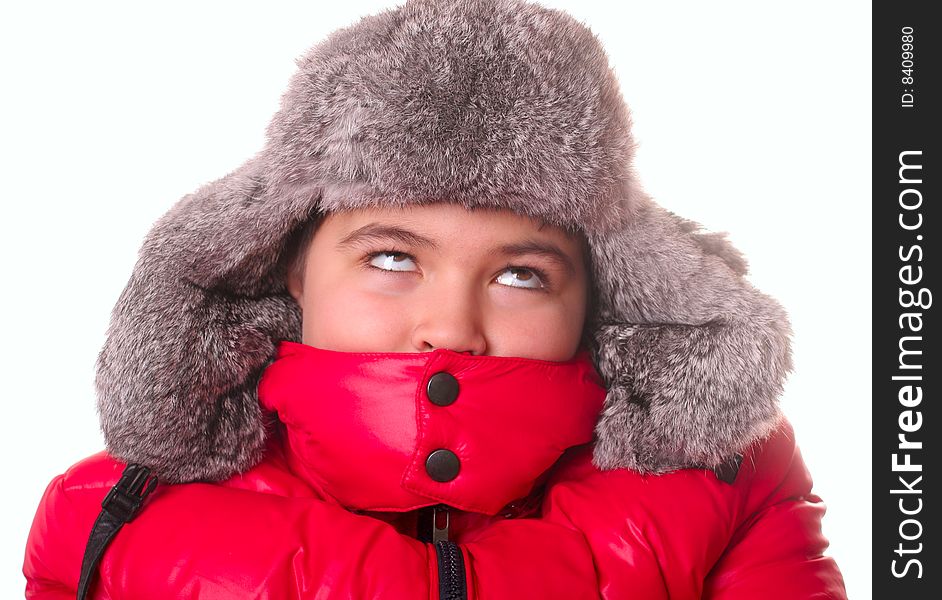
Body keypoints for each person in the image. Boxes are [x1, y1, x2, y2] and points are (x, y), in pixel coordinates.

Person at [23, 0, 848, 598]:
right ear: (291, 269)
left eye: (521, 274)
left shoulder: (730, 478)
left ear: (597, 294)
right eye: (391, 258)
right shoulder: (108, 515)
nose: (451, 328)